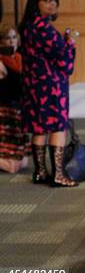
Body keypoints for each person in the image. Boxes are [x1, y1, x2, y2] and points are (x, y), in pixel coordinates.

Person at [19, 0, 78, 187]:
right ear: (36, 3)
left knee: (39, 129)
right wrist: (69, 43)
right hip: (52, 88)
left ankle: (40, 172)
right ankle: (58, 175)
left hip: (33, 86)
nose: (52, 3)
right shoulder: (44, 27)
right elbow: (65, 63)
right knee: (57, 128)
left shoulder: (27, 26)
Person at [0, 25, 30, 173]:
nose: (11, 41)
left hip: (19, 108)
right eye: (7, 38)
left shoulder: (19, 58)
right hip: (5, 109)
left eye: (13, 37)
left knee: (23, 163)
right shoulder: (1, 60)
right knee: (12, 167)